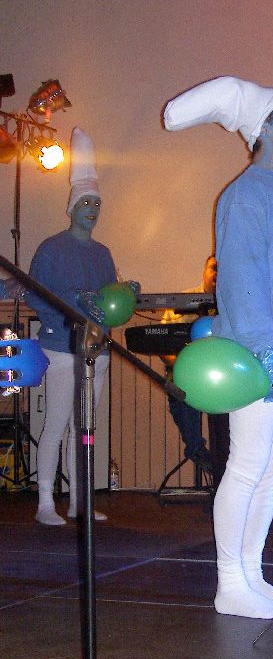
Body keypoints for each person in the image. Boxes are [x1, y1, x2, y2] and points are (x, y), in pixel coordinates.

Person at [164, 76, 273, 619]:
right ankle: (231, 583)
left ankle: (252, 575)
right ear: (264, 128)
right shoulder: (244, 195)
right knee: (247, 465)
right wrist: (265, 349)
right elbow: (241, 279)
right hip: (262, 350)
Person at [26, 127, 137, 526]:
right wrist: (74, 303)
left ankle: (79, 501)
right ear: (72, 206)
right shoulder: (51, 248)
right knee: (56, 424)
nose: (92, 209)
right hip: (61, 348)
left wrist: (126, 294)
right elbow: (35, 296)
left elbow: (108, 302)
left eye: (97, 204)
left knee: (84, 427)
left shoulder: (103, 253)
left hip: (96, 350)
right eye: (86, 202)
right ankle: (45, 502)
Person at [160, 255, 230, 490]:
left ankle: (226, 464)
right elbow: (162, 346)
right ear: (204, 271)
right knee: (178, 388)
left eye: (222, 269)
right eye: (213, 268)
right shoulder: (180, 302)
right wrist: (184, 366)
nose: (217, 273)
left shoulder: (235, 305)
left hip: (223, 380)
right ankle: (197, 449)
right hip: (187, 377)